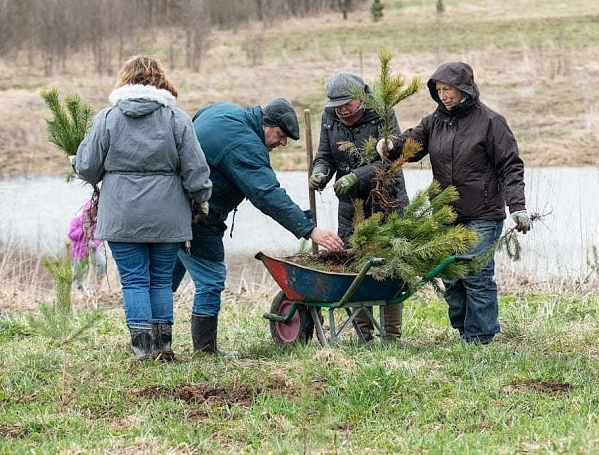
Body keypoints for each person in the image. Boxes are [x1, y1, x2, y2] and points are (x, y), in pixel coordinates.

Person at [173, 96, 344, 355]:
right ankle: (205, 351)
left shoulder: (221, 110)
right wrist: (309, 229)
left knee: (163, 279)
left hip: (171, 209)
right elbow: (267, 195)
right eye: (280, 134)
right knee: (211, 280)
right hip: (197, 218)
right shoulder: (244, 145)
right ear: (266, 124)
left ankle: (153, 343)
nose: (283, 142)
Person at [378, 62, 531, 345]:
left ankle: (481, 335)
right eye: (439, 90)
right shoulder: (434, 122)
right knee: (452, 276)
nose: (444, 95)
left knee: (475, 272)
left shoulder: (490, 122)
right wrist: (391, 145)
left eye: (448, 89)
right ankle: (464, 329)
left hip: (483, 212)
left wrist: (517, 207)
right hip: (446, 213)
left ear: (464, 89)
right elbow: (412, 143)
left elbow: (510, 166)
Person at [74, 55, 212, 361]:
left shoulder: (107, 118)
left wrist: (76, 160)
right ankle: (163, 347)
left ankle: (142, 350)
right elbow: (196, 172)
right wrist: (201, 199)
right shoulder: (177, 119)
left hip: (122, 215)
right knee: (161, 280)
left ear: (124, 79)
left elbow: (86, 168)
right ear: (161, 80)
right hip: (168, 216)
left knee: (134, 280)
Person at [309, 72, 409, 342]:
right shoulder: (329, 118)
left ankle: (391, 337)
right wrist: (320, 172)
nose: (342, 109)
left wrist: (358, 175)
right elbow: (325, 155)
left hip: (386, 201)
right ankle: (363, 335)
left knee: (389, 268)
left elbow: (393, 159)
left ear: (361, 98)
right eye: (337, 105)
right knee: (355, 267)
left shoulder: (382, 112)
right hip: (351, 206)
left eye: (347, 104)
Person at [68, 197, 107, 292]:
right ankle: (81, 291)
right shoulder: (76, 221)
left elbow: (98, 237)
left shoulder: (95, 223)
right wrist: (83, 228)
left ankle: (98, 282)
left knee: (102, 263)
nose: (89, 213)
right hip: (78, 251)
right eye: (87, 211)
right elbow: (72, 235)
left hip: (92, 249)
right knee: (80, 273)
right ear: (84, 210)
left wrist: (94, 243)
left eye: (92, 211)